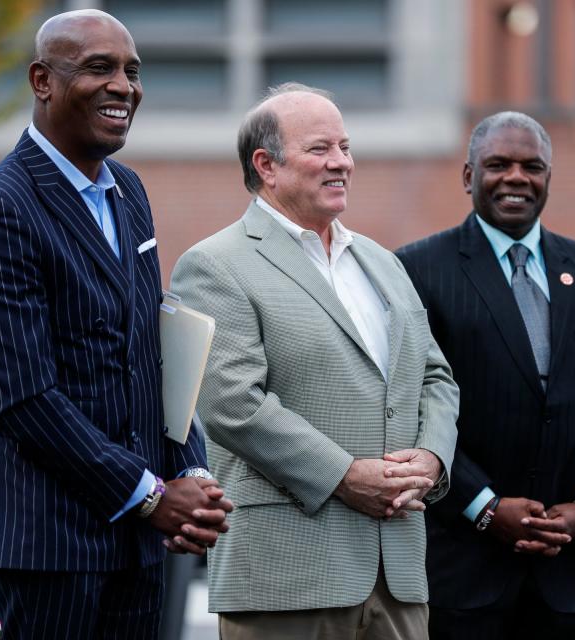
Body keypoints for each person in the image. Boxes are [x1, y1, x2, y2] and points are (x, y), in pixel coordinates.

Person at [0, 10, 232, 638]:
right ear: (42, 80)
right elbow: (27, 398)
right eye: (99, 68)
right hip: (50, 540)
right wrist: (152, 495)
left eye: (131, 71)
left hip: (136, 539)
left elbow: (151, 353)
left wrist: (191, 470)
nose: (123, 87)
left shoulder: (128, 190)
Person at [171, 83, 459, 639]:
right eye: (321, 148)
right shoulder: (214, 264)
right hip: (287, 575)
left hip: (396, 571)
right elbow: (232, 403)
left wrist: (431, 460)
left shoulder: (380, 261)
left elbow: (435, 376)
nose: (342, 163)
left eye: (346, 148)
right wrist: (347, 476)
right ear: (266, 165)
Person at [396, 112, 575, 640]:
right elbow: (409, 410)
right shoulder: (417, 270)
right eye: (498, 164)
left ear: (549, 177)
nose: (517, 177)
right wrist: (484, 507)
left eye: (532, 166)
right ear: (469, 176)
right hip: (462, 574)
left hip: (571, 578)